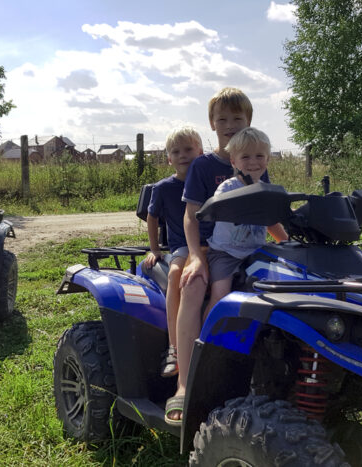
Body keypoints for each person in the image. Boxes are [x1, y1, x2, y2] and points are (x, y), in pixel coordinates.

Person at [165, 87, 270, 425]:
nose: (229, 124)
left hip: (247, 247)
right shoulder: (202, 167)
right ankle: (184, 381)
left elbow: (268, 213)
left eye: (237, 118)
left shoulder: (255, 162)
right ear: (211, 124)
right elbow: (190, 216)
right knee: (193, 285)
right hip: (209, 246)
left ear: (248, 121)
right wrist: (195, 257)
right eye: (221, 118)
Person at [205, 127, 287, 313]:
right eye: (245, 157)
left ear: (268, 159)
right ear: (234, 161)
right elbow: (220, 206)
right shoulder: (228, 188)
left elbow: (272, 222)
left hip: (256, 252)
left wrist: (287, 243)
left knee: (278, 288)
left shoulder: (266, 190)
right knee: (221, 295)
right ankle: (206, 340)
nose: (253, 162)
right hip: (226, 253)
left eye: (259, 156)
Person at [143, 127, 203, 379]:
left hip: (212, 244)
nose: (183, 155)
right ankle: (174, 348)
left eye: (189, 149)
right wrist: (155, 249)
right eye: (176, 152)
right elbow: (152, 217)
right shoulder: (163, 187)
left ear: (200, 152)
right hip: (181, 246)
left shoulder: (207, 182)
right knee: (176, 275)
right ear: (169, 158)